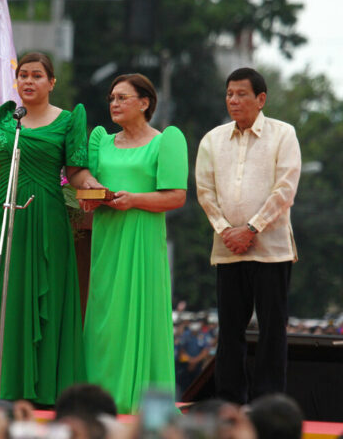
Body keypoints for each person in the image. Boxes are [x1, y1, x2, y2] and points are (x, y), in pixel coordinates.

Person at [0, 52, 101, 405]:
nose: (28, 81)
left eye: (37, 76)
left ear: (51, 82)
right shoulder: (6, 117)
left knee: (49, 297)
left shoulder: (69, 119)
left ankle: (44, 392)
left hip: (47, 217)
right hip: (4, 213)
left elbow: (76, 170)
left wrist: (93, 184)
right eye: (23, 75)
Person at [81, 73, 188, 413]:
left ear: (144, 103)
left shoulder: (165, 141)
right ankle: (98, 398)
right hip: (107, 238)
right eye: (112, 98)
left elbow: (176, 197)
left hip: (141, 238)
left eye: (122, 98)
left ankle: (137, 404)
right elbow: (82, 182)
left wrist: (135, 200)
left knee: (139, 312)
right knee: (103, 317)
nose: (114, 103)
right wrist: (91, 191)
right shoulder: (101, 141)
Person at [196, 67, 301, 404]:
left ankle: (267, 403)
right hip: (228, 249)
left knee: (272, 331)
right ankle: (229, 399)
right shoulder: (212, 139)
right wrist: (227, 231)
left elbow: (285, 189)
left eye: (241, 94)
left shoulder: (283, 135)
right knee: (229, 330)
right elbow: (204, 191)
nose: (233, 100)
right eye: (229, 94)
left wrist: (252, 228)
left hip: (271, 250)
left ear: (261, 99)